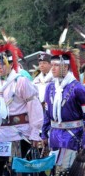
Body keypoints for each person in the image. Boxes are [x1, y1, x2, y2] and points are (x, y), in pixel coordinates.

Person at [0, 30, 43, 176]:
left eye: (3, 64)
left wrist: (35, 133)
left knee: (20, 170)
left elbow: (34, 107)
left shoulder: (20, 82)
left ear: (11, 64)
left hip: (19, 132)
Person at [41, 38, 85, 175]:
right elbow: (47, 113)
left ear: (65, 67)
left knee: (65, 172)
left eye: (55, 65)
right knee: (54, 172)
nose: (52, 68)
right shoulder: (50, 88)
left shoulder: (77, 88)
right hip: (54, 137)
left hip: (73, 138)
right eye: (51, 65)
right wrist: (44, 134)